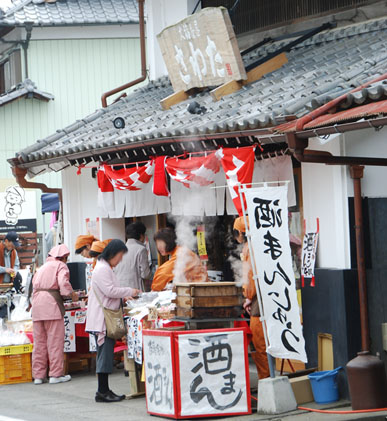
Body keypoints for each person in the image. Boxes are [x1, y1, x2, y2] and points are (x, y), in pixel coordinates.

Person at [86, 239, 140, 403]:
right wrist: (130, 291)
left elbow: (109, 292)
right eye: (120, 256)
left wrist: (124, 296)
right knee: (105, 354)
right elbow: (110, 290)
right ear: (113, 253)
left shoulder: (104, 268)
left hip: (104, 317)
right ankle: (102, 391)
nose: (121, 259)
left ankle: (104, 389)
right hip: (103, 319)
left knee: (106, 354)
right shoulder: (102, 269)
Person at [31, 244, 78, 385]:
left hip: (37, 305)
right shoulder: (61, 266)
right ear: (63, 257)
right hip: (51, 305)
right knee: (55, 342)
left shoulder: (42, 267)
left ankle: (38, 376)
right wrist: (72, 294)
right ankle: (55, 374)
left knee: (39, 342)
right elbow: (63, 285)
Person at [233, 216, 270, 380]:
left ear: (241, 233)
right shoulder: (264, 242)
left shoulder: (250, 248)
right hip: (270, 297)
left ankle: (266, 380)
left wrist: (247, 296)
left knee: (260, 343)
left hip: (259, 300)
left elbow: (251, 275)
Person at [115, 222, 151, 290]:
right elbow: (145, 274)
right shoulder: (141, 249)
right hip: (135, 290)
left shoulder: (118, 249)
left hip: (119, 290)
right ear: (141, 236)